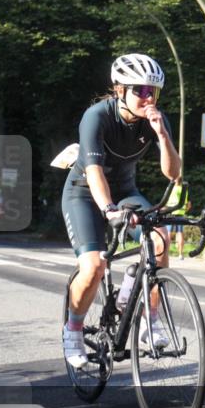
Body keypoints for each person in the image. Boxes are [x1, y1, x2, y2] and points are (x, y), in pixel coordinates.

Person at [61, 53, 181, 369]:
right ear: (119, 90)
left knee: (160, 241)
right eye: (139, 90)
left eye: (152, 91)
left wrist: (162, 135)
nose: (147, 97)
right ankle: (72, 332)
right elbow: (94, 171)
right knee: (94, 267)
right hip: (84, 193)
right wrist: (109, 210)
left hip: (126, 192)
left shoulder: (156, 119)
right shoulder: (97, 116)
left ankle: (148, 320)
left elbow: (173, 173)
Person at [167, 177, 191, 260]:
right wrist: (184, 211)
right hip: (180, 213)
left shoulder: (172, 189)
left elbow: (167, 202)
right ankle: (180, 254)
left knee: (168, 233)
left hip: (171, 213)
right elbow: (188, 204)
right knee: (179, 233)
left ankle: (166, 253)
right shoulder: (184, 190)